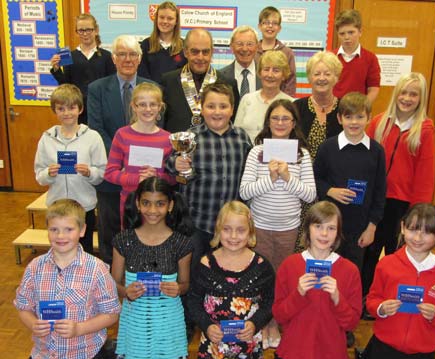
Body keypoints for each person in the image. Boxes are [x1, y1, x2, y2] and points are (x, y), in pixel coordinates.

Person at [240, 99, 316, 348]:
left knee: (283, 278)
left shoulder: (302, 154)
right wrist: (271, 179)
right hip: (260, 225)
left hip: (288, 228)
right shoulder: (257, 152)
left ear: (294, 123)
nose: (280, 123)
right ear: (268, 122)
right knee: (262, 277)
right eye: (275, 118)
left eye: (286, 119)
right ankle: (264, 323)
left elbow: (310, 195)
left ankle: (277, 321)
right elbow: (245, 191)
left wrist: (287, 177)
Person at [14, 199, 121, 359]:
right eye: (54, 229)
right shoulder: (34, 267)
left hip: (86, 353)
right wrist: (32, 324)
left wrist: (79, 328)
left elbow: (111, 314)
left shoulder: (97, 269)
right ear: (47, 230)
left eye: (69, 229)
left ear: (82, 230)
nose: (61, 236)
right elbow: (24, 307)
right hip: (44, 354)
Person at [362, 72, 435, 302]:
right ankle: (365, 297)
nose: (407, 98)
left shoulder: (424, 129)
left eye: (414, 94)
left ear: (420, 98)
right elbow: (364, 161)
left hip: (401, 204)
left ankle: (392, 297)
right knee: (370, 252)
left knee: (396, 253)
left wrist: (417, 211)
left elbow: (425, 174)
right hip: (375, 200)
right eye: (403, 92)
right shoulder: (379, 122)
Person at [166, 82, 252, 270]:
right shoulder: (191, 137)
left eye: (223, 106)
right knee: (194, 273)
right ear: (201, 109)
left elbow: (250, 173)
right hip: (197, 223)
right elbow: (169, 163)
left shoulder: (242, 138)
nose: (217, 112)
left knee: (226, 272)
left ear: (232, 109)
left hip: (230, 228)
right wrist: (176, 164)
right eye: (211, 106)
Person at [87, 34, 156, 265]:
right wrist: (122, 159)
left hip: (145, 177)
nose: (128, 59)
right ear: (114, 58)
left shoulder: (153, 89)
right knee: (110, 231)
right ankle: (110, 280)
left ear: (140, 58)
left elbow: (157, 128)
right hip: (112, 173)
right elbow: (96, 129)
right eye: (122, 54)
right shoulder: (97, 89)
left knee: (143, 229)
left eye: (133, 54)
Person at [364, 203, 435, 359]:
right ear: (403, 228)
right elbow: (371, 300)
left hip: (422, 351)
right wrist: (381, 308)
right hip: (384, 346)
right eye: (412, 230)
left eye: (426, 232)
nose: (417, 238)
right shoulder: (386, 264)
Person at [111, 177, 193, 358]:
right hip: (135, 321)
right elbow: (113, 283)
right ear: (138, 204)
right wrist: (126, 292)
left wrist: (178, 288)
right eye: (146, 203)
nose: (153, 210)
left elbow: (186, 283)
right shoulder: (123, 240)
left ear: (170, 206)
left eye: (160, 204)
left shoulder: (181, 243)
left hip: (168, 321)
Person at [273, 201, 362, 358]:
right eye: (318, 226)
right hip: (294, 351)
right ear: (307, 229)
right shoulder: (289, 265)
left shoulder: (350, 271)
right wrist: (298, 293)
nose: (324, 234)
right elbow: (279, 315)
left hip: (332, 352)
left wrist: (337, 298)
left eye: (331, 228)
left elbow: (352, 323)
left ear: (338, 233)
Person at [187, 201, 275, 359]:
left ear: (250, 232)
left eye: (241, 230)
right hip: (213, 345)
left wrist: (255, 323)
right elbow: (193, 301)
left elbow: (270, 301)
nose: (233, 236)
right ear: (218, 230)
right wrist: (206, 326)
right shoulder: (205, 264)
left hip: (249, 344)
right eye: (226, 229)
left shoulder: (262, 267)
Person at [313, 92, 386, 273]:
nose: (354, 122)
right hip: (329, 227)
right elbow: (314, 179)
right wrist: (330, 191)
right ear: (339, 118)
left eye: (360, 117)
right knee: (326, 272)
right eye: (348, 117)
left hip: (359, 228)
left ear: (369, 118)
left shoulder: (376, 151)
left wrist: (371, 227)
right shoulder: (328, 147)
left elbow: (379, 191)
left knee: (351, 273)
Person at [34, 84, 106, 254]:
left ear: (80, 109)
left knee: (85, 247)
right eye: (61, 108)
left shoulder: (92, 137)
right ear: (55, 111)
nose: (67, 113)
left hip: (84, 205)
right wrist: (48, 174)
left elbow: (102, 172)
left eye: (72, 107)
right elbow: (39, 175)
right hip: (57, 204)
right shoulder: (47, 138)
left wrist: (89, 172)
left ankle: (84, 280)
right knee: (59, 246)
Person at [104, 82, 175, 224]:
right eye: (142, 104)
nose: (148, 109)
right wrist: (136, 179)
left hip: (158, 207)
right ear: (134, 107)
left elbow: (173, 179)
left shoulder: (168, 139)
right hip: (130, 203)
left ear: (160, 107)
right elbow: (109, 173)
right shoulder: (122, 135)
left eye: (153, 104)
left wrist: (157, 176)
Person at [161, 28, 239, 133]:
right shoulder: (168, 81)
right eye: (195, 51)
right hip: (177, 147)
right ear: (185, 52)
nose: (200, 57)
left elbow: (232, 122)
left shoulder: (228, 83)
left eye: (205, 52)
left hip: (213, 146)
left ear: (212, 52)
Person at [50, 13, 116, 125]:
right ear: (76, 32)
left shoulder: (107, 56)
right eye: (81, 30)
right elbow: (66, 85)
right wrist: (56, 70)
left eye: (89, 30)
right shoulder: (70, 56)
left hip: (101, 110)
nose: (85, 34)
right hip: (78, 111)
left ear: (96, 30)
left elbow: (112, 85)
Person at [294, 51, 343, 161]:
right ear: (309, 78)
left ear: (336, 77)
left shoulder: (344, 108)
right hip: (302, 171)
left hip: (335, 173)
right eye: (317, 74)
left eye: (327, 74)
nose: (322, 78)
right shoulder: (296, 107)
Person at [235, 50, 294, 142]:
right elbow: (236, 133)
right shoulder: (247, 99)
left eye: (276, 70)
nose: (270, 75)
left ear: (284, 75)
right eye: (266, 69)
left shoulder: (291, 103)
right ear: (259, 73)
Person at [332, 9, 381, 104]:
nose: (346, 37)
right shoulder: (330, 57)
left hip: (357, 111)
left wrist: (362, 107)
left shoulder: (370, 58)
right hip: (332, 109)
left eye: (351, 32)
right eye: (342, 33)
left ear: (360, 32)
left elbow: (374, 89)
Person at [138, 1, 187, 83]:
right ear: (156, 19)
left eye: (170, 18)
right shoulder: (146, 45)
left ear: (176, 21)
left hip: (176, 94)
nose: (165, 21)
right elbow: (142, 76)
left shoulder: (184, 46)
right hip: (151, 94)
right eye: (161, 17)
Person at [256, 6, 296, 97]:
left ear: (279, 28)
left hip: (279, 103)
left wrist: (284, 104)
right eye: (266, 22)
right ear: (259, 26)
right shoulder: (253, 52)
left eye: (274, 23)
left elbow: (290, 83)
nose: (270, 26)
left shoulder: (287, 53)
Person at [218, 25, 262, 98]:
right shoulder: (220, 77)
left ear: (257, 47)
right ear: (231, 47)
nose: (244, 49)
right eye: (239, 44)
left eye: (250, 44)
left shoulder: (265, 75)